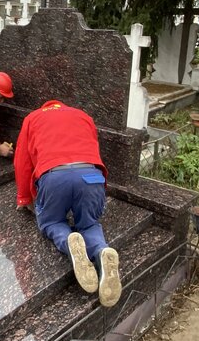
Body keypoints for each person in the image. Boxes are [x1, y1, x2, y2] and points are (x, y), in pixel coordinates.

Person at [14, 100, 121, 308]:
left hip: (54, 175)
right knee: (89, 224)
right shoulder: (82, 115)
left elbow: (22, 161)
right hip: (91, 173)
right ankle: (101, 251)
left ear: (44, 107)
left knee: (52, 222)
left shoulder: (33, 118)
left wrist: (24, 198)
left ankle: (69, 241)